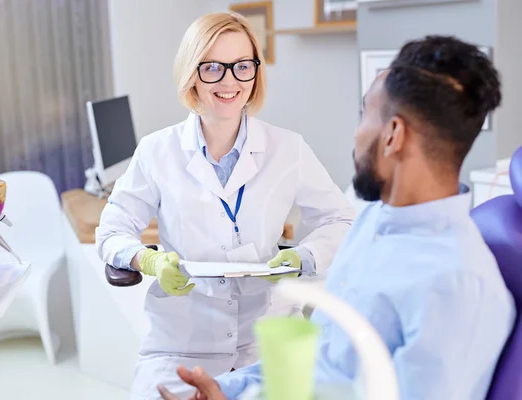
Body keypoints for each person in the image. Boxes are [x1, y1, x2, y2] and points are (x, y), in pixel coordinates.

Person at [157, 35, 516, 400]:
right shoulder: (372, 222)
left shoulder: (456, 287)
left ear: (393, 135)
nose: (357, 134)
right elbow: (323, 361)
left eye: (365, 116)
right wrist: (227, 390)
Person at [95, 11, 355, 399]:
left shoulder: (288, 148)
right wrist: (146, 260)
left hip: (266, 336)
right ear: (192, 74)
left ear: (255, 73)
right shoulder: (156, 151)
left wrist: (304, 255)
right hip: (181, 341)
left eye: (242, 66)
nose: (230, 81)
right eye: (213, 67)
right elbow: (111, 231)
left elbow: (343, 218)